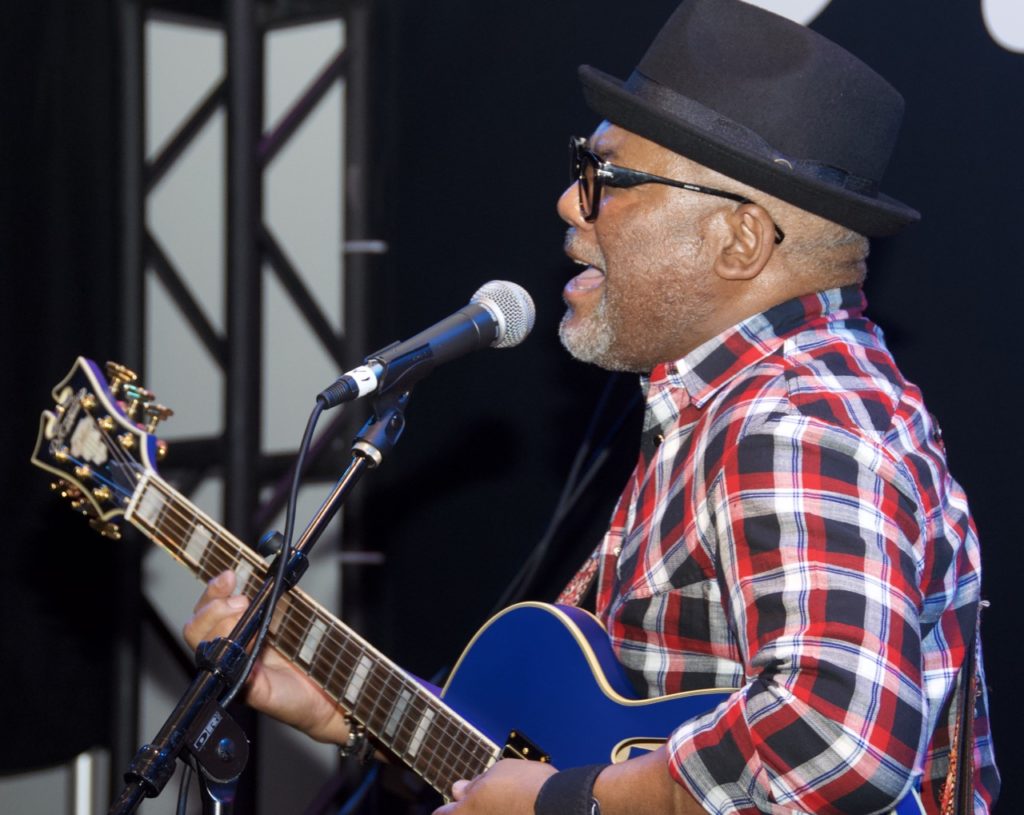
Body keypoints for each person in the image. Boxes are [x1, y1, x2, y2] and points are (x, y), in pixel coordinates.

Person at [185, 1, 999, 812]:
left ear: (740, 240)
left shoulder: (790, 420)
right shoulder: (729, 406)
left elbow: (839, 741)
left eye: (606, 177)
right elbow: (582, 750)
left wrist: (568, 804)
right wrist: (349, 706)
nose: (571, 205)